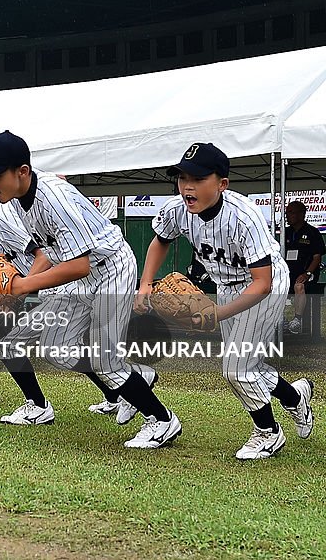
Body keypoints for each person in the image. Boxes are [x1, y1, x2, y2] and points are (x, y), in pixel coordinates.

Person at [0, 130, 179, 449]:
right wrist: (12, 283)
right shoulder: (14, 200)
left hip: (111, 268)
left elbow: (79, 264)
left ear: (22, 172)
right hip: (82, 278)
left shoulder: (51, 197)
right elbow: (52, 253)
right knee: (54, 348)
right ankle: (135, 377)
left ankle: (162, 420)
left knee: (104, 360)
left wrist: (23, 285)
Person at [135, 143, 315, 459]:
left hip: (266, 284)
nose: (187, 186)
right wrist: (146, 283)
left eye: (198, 178)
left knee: (235, 368)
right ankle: (294, 397)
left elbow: (262, 282)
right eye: (182, 177)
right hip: (226, 285)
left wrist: (218, 313)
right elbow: (160, 240)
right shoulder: (176, 210)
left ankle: (268, 433)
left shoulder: (244, 216)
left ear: (222, 184)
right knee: (248, 364)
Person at [0, 154, 128, 425]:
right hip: (45, 284)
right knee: (63, 349)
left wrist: (14, 297)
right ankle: (118, 393)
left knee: (17, 343)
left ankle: (39, 405)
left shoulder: (5, 213)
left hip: (55, 283)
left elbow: (43, 256)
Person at [283, 200, 324, 334]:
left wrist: (307, 273)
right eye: (286, 213)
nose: (287, 216)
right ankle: (281, 320)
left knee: (299, 286)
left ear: (301, 214)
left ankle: (297, 321)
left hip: (306, 274)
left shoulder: (313, 232)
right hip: (288, 273)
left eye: (291, 212)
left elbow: (317, 258)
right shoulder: (285, 233)